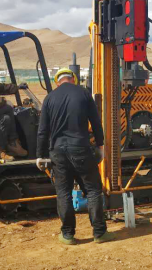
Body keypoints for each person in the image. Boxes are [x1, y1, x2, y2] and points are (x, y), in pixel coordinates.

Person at [36, 68, 115, 245]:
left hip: (57, 152)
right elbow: (96, 122)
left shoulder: (49, 98)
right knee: (93, 190)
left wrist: (40, 155)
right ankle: (99, 233)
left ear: (58, 81)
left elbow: (42, 131)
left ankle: (67, 235)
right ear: (73, 79)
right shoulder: (83, 94)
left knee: (63, 193)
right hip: (81, 148)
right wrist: (100, 146)